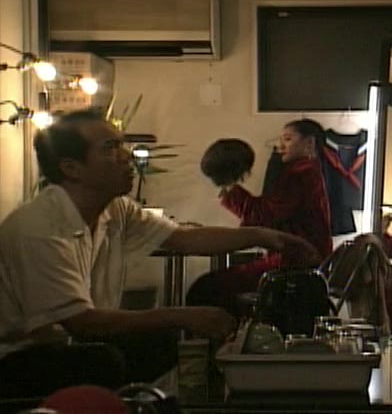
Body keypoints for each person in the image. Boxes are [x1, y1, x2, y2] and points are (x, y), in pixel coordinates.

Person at [0, 109, 317, 398]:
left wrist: (263, 235)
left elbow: (183, 239)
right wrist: (184, 315)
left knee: (162, 343)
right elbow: (83, 323)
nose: (126, 156)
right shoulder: (39, 228)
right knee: (106, 359)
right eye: (110, 148)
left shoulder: (115, 208)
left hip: (70, 345)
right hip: (17, 358)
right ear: (71, 168)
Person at [187, 119, 332, 315]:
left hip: (295, 264)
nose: (280, 146)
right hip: (299, 261)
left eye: (288, 139)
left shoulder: (300, 173)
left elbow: (264, 215)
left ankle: (230, 332)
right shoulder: (306, 171)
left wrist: (230, 187)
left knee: (206, 288)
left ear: (309, 143)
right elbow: (269, 213)